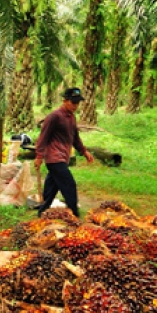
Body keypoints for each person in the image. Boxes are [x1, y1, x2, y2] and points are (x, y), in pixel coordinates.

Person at [34, 87, 94, 218]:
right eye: (73, 102)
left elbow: (75, 138)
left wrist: (84, 151)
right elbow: (43, 137)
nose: (76, 106)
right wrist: (39, 156)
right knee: (69, 184)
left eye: (78, 103)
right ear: (65, 101)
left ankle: (42, 211)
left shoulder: (71, 117)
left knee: (52, 188)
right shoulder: (54, 116)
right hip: (54, 158)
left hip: (63, 157)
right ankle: (74, 214)